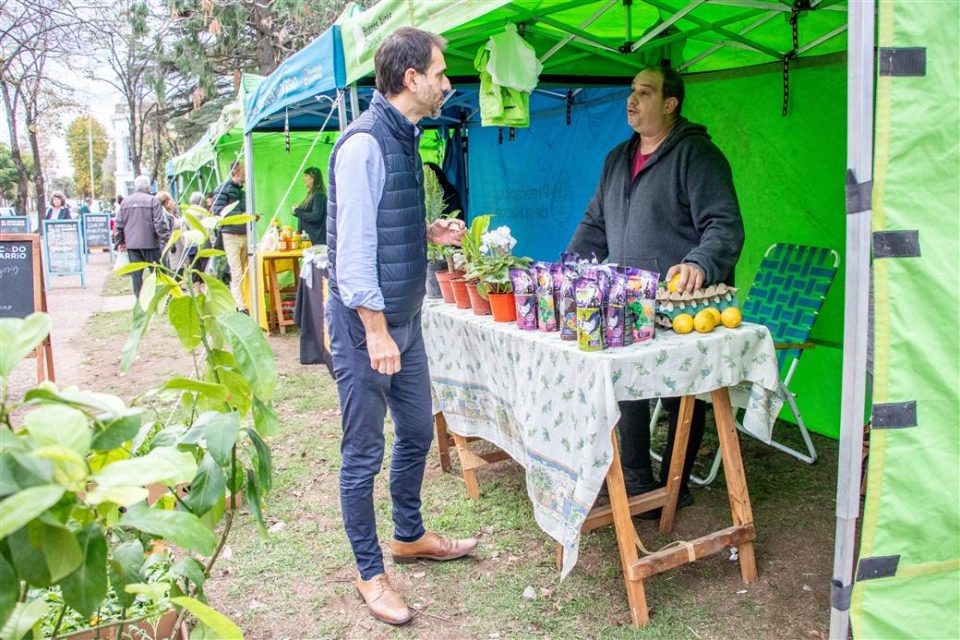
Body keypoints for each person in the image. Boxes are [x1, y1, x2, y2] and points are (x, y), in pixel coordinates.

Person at [326, 27, 473, 626]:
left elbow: (384, 227)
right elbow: (354, 252)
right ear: (411, 80)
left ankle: (408, 535)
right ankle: (369, 572)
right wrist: (377, 329)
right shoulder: (364, 144)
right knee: (364, 453)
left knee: (415, 431)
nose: (446, 83)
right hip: (371, 327)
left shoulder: (405, 136)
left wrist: (424, 235)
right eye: (439, 73)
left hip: (405, 318)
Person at [567, 65, 744, 517]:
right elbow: (595, 224)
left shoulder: (697, 156)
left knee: (680, 390)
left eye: (645, 92)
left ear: (671, 103)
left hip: (676, 302)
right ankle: (638, 482)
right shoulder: (616, 159)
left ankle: (676, 482)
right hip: (629, 301)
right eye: (631, 91)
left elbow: (724, 226)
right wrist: (569, 268)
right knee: (628, 387)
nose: (632, 99)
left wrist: (699, 263)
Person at [116, 175, 170, 297]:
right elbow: (159, 222)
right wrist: (166, 237)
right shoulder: (152, 201)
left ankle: (139, 299)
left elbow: (119, 224)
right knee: (157, 272)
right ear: (148, 187)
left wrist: (121, 242)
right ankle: (160, 297)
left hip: (132, 245)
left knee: (136, 275)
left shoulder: (125, 202)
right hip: (151, 243)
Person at [211, 163, 247, 312]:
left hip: (245, 234)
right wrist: (240, 217)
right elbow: (218, 211)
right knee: (236, 272)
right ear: (236, 171)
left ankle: (244, 302)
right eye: (244, 169)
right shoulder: (223, 189)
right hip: (230, 235)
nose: (247, 172)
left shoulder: (243, 192)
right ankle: (241, 306)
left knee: (245, 271)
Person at [291, 167, 327, 245]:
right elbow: (306, 213)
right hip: (309, 240)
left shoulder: (319, 195)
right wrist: (296, 211)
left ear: (313, 178)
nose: (304, 179)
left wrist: (297, 211)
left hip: (316, 241)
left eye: (306, 176)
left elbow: (315, 216)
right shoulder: (312, 194)